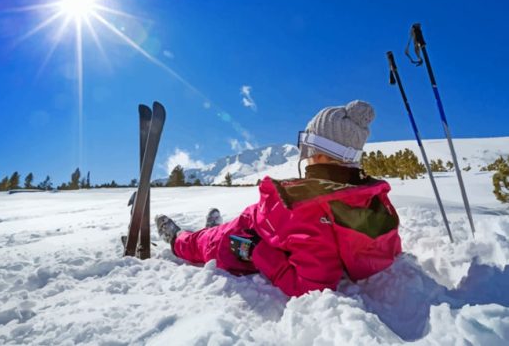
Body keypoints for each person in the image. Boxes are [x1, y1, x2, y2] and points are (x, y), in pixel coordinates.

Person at [155, 100, 402, 297]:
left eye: (310, 145)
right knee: (219, 233)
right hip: (263, 230)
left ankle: (177, 239)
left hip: (243, 239)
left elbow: (311, 287)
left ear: (321, 155)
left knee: (208, 242)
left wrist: (255, 251)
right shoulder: (368, 198)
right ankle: (210, 230)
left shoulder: (312, 209)